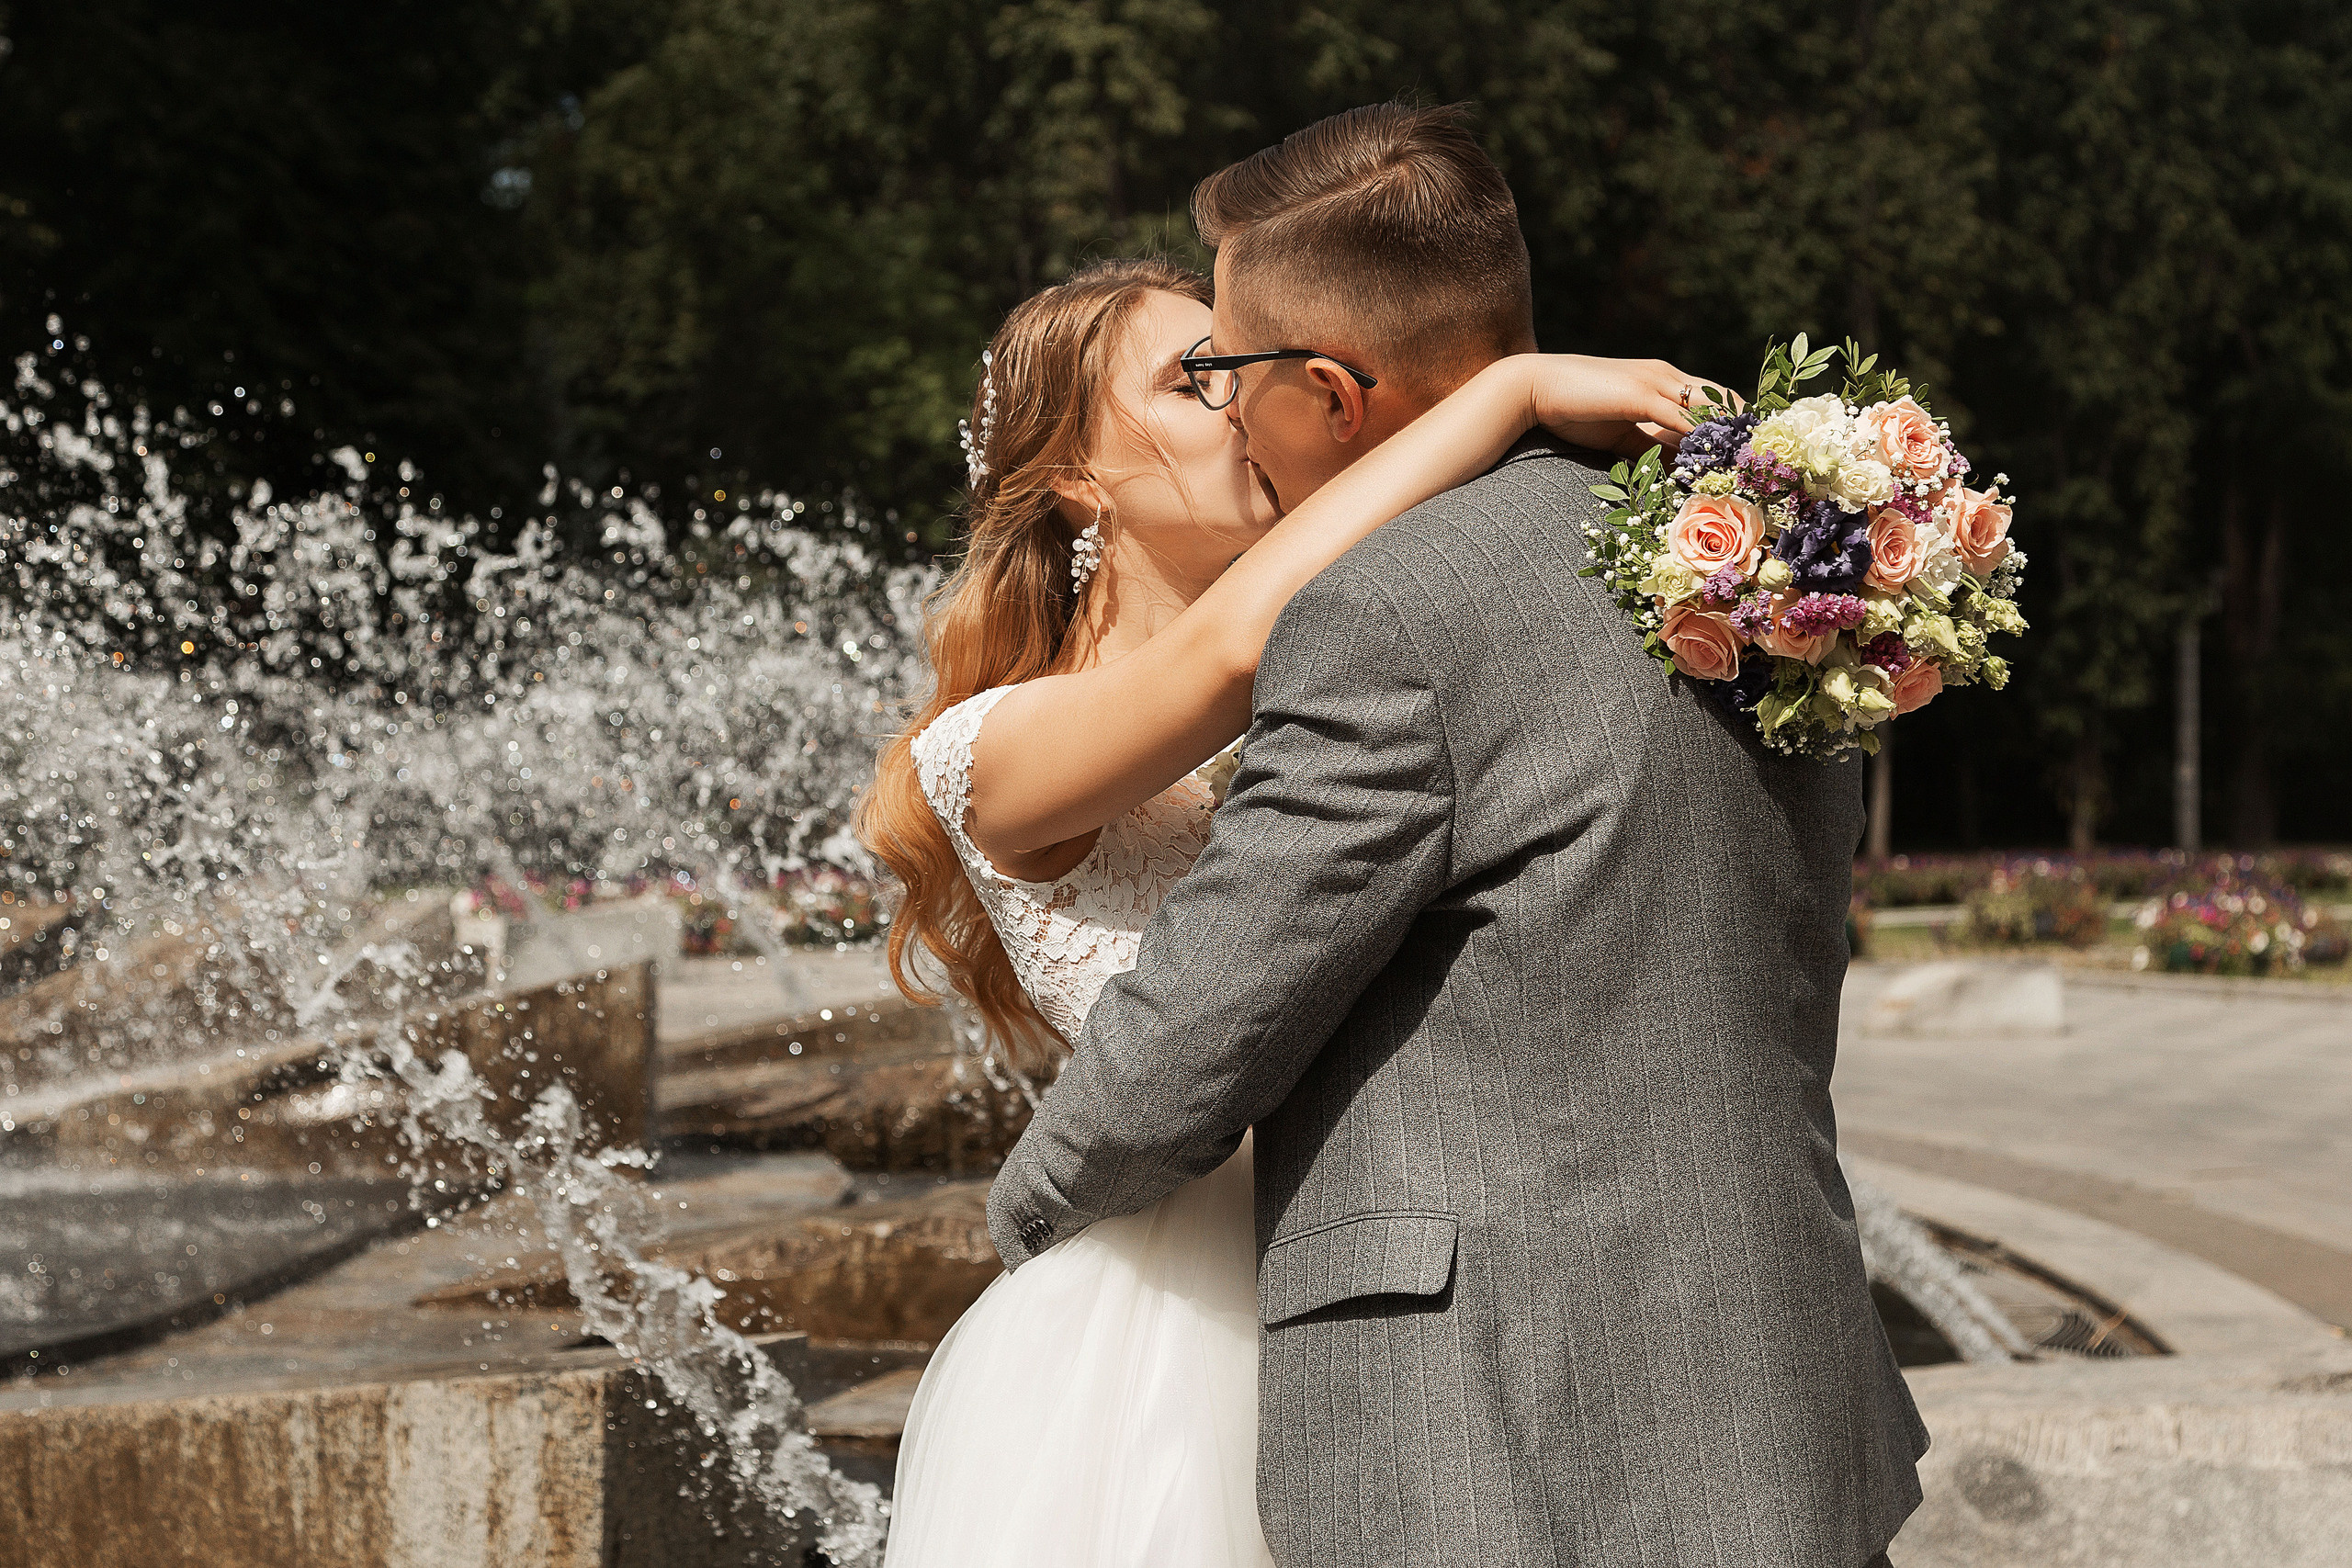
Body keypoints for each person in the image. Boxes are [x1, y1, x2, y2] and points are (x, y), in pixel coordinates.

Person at [872, 102, 1923, 1566]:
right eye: (1191, 384)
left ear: (1327, 386)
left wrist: (1034, 1225)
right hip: (1297, 1320)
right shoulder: (1735, 596)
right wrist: (1500, 395)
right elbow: (1228, 655)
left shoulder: (1389, 625)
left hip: (1443, 1369)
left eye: (1227, 371)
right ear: (1071, 482)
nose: (1230, 408)